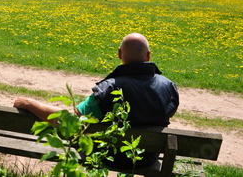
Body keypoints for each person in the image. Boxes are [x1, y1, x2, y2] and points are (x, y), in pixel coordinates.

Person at [13, 33, 179, 173]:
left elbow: (71, 121)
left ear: (120, 53)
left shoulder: (108, 88)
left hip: (109, 159)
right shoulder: (169, 88)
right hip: (147, 159)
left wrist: (29, 103)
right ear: (148, 56)